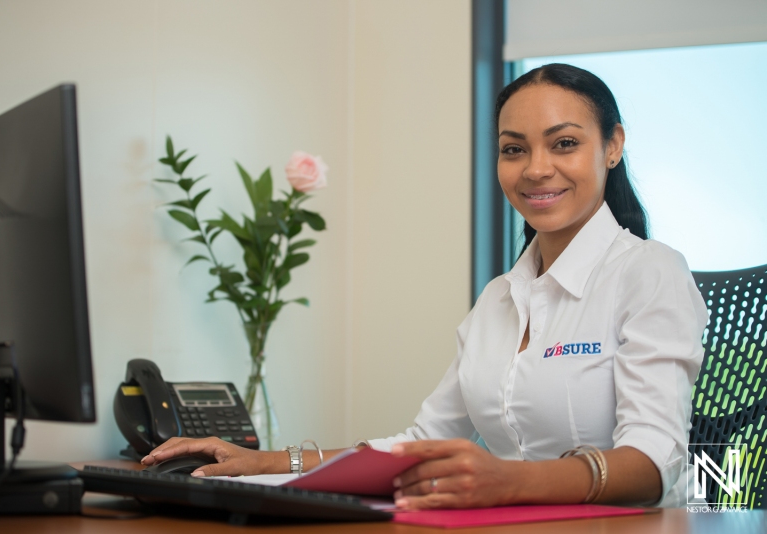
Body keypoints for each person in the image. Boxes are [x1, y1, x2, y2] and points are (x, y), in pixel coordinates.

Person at [141, 64, 707, 510]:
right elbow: (421, 438)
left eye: (563, 143)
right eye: (514, 149)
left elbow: (655, 461)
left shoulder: (651, 272)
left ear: (612, 146)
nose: (536, 168)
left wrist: (506, 482)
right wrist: (264, 462)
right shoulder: (498, 299)